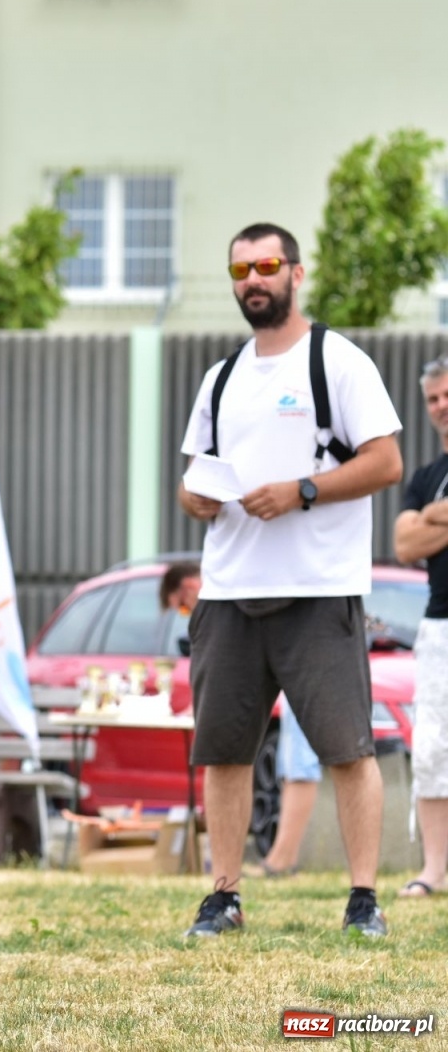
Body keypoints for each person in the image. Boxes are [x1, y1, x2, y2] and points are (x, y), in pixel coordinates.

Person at [176, 222, 402, 939]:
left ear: (296, 274)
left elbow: (386, 462)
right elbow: (191, 480)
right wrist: (197, 499)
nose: (253, 279)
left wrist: (301, 491)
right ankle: (225, 896)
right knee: (223, 750)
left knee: (347, 749)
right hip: (228, 591)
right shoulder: (221, 377)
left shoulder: (337, 362)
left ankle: (363, 898)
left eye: (267, 265)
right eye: (240, 268)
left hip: (319, 589)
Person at [160, 561, 316, 879]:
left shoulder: (223, 601)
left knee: (300, 764)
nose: (186, 614)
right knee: (291, 765)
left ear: (189, 587)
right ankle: (279, 856)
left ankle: (283, 858)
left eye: (182, 609)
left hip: (301, 655)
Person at [395, 355, 448, 898]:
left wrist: (431, 518)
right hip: (438, 629)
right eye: (433, 398)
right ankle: (434, 871)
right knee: (432, 747)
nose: (441, 406)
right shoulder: (426, 477)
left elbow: (419, 529)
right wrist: (434, 516)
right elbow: (404, 543)